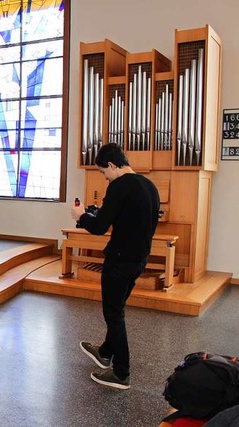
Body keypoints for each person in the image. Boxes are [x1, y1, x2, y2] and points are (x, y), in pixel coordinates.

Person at [71, 143, 160, 390]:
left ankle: (121, 374)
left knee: (113, 315)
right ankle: (105, 352)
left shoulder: (119, 186)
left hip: (120, 260)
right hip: (139, 258)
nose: (104, 176)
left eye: (103, 172)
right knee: (117, 308)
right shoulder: (149, 186)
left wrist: (80, 216)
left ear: (111, 165)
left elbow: (99, 227)